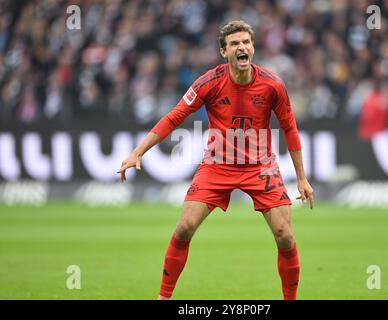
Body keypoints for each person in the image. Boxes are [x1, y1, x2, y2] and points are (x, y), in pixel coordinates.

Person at [118, 20, 314, 300]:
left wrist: (302, 178)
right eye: (234, 43)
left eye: (246, 42)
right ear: (224, 52)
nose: (241, 47)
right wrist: (138, 151)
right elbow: (175, 116)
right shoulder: (208, 82)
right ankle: (163, 297)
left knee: (285, 234)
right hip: (217, 165)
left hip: (260, 167)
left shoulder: (273, 85)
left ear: (253, 47)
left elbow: (290, 129)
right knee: (184, 227)